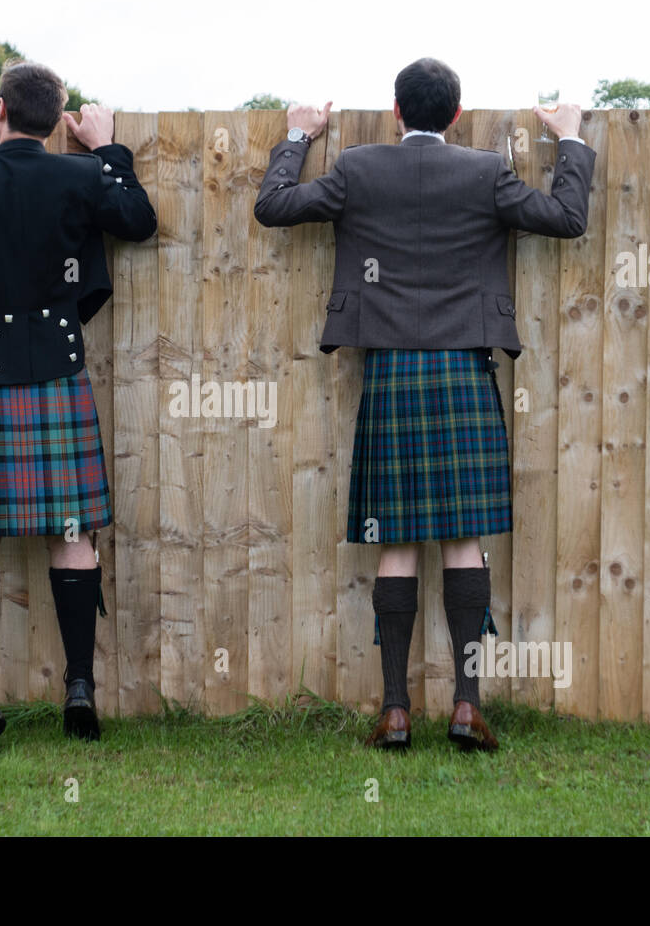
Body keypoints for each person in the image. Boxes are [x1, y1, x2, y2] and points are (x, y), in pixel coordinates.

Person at [253, 58, 594, 752]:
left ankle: (396, 711)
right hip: (464, 368)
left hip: (391, 372)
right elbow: (566, 217)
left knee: (397, 540)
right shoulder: (484, 173)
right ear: (458, 114)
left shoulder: (357, 168)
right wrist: (572, 142)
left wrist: (296, 136)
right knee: (463, 536)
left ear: (396, 111)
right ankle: (467, 709)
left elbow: (275, 206)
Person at [0, 60, 156, 755]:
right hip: (59, 366)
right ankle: (79, 687)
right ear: (53, 120)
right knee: (73, 530)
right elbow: (138, 220)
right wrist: (107, 149)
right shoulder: (79, 176)